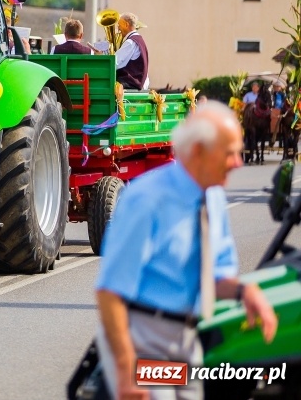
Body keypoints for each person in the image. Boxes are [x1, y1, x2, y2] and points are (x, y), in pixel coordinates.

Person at [95, 101, 277, 400]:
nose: (238, 163)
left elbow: (214, 277)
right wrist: (126, 370)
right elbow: (110, 291)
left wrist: (247, 292)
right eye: (229, 152)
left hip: (188, 342)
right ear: (198, 152)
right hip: (144, 340)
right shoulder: (146, 200)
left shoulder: (214, 197)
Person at [115, 12, 150, 90]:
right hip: (139, 82)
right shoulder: (139, 39)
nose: (118, 28)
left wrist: (102, 56)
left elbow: (115, 62)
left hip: (132, 82)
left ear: (126, 24)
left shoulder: (130, 42)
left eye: (119, 25)